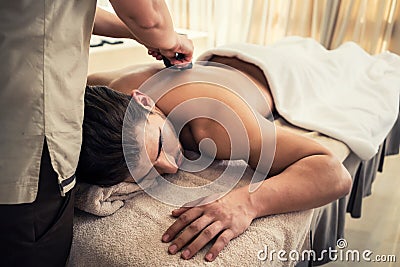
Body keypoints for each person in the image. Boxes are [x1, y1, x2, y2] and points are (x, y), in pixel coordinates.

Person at [79, 56, 352, 262]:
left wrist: (247, 203)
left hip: (279, 71)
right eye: (147, 175)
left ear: (143, 101)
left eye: (161, 144)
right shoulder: (91, 91)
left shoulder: (213, 123)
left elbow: (333, 173)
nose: (172, 166)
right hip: (215, 64)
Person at [0, 1, 193, 265]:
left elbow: (67, 10)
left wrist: (137, 33)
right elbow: (150, 18)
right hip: (26, 130)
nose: (170, 168)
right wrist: (171, 39)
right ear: (142, 101)